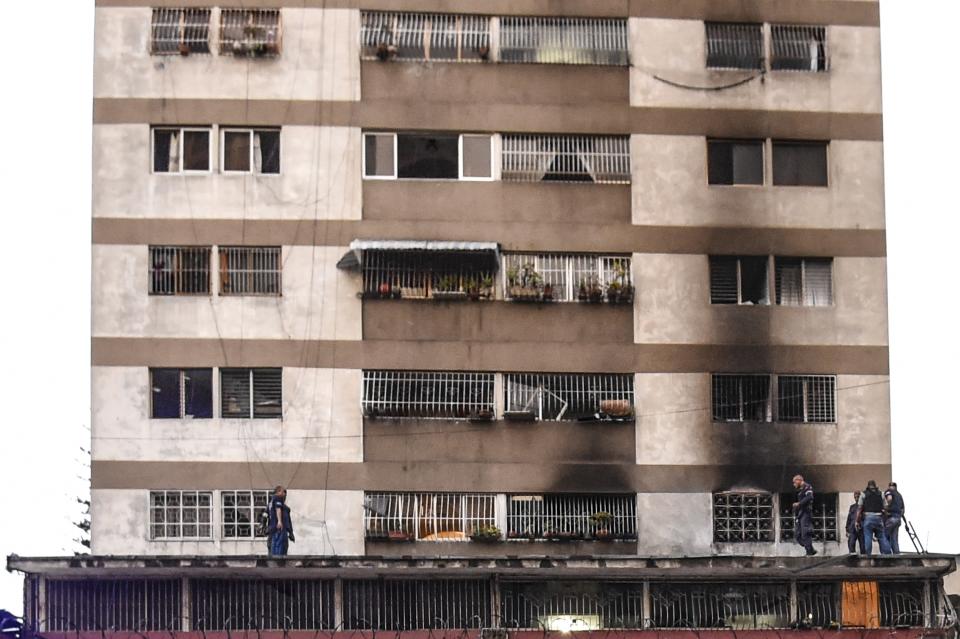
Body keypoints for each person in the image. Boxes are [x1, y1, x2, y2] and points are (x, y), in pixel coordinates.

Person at [857, 480, 891, 555]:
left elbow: (859, 508)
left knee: (868, 537)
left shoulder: (863, 494)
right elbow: (886, 506)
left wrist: (857, 521)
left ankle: (868, 555)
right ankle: (888, 554)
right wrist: (884, 511)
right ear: (875, 486)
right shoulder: (881, 494)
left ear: (868, 486)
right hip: (879, 517)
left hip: (868, 517)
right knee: (882, 536)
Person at [791, 474, 817, 556]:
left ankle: (809, 551)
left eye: (794, 482)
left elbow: (810, 497)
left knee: (805, 533)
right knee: (797, 535)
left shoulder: (807, 487)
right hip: (801, 514)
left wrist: (799, 503)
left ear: (799, 480)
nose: (794, 485)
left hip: (806, 513)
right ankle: (810, 548)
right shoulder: (801, 491)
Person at [267, 485, 295, 556]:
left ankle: (279, 565)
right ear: (278, 492)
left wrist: (291, 532)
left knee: (282, 550)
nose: (284, 495)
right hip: (278, 529)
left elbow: (288, 520)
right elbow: (277, 510)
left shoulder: (285, 508)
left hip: (281, 530)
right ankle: (276, 565)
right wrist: (279, 521)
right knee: (278, 552)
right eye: (283, 492)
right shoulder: (277, 498)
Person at [883, 482, 905, 554]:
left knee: (884, 535)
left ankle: (887, 553)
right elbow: (903, 510)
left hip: (891, 518)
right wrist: (898, 515)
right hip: (898, 519)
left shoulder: (889, 491)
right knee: (894, 538)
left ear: (890, 486)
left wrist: (886, 509)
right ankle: (896, 554)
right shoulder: (899, 495)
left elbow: (889, 499)